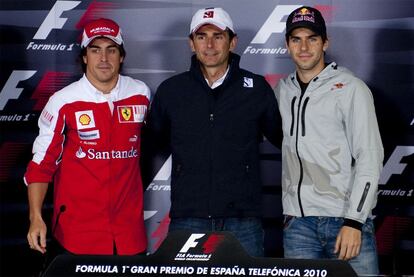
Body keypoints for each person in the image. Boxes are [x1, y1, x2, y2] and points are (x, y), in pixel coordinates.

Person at [147, 7, 282, 257]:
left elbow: (287, 141)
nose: (209, 44)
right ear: (191, 43)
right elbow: (148, 146)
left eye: (218, 36)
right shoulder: (171, 91)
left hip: (242, 221)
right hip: (188, 218)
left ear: (233, 42)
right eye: (201, 36)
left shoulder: (256, 88)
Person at [25, 18, 150, 258]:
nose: (104, 59)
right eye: (95, 50)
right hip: (78, 237)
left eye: (111, 50)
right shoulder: (63, 101)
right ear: (84, 57)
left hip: (130, 236)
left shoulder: (141, 94)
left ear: (121, 56)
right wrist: (36, 218)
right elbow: (41, 166)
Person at [274, 6, 384, 275]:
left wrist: (355, 222)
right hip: (298, 226)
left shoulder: (351, 88)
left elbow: (370, 156)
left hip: (344, 221)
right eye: (296, 39)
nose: (304, 47)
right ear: (287, 45)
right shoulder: (280, 91)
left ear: (325, 42)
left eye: (312, 38)